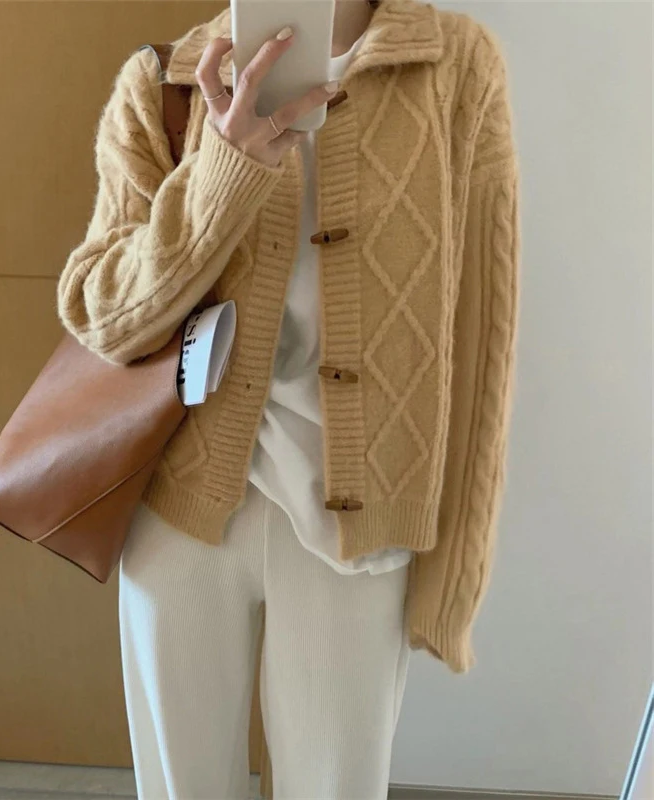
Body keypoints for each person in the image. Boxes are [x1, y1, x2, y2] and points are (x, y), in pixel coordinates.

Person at [57, 0, 520, 796]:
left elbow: (483, 331)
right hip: (181, 514)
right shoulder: (165, 82)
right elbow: (101, 315)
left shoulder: (457, 67)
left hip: (363, 524)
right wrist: (222, 172)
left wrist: (457, 574)